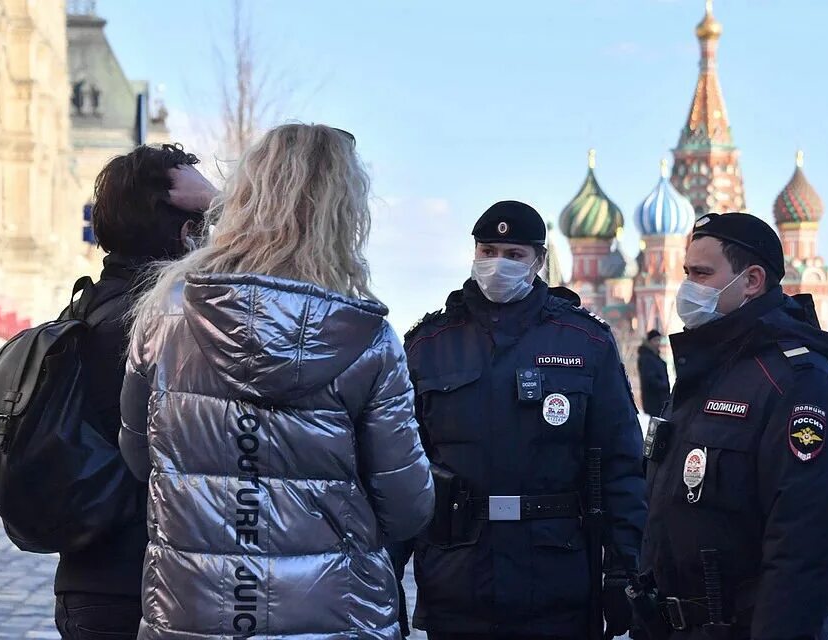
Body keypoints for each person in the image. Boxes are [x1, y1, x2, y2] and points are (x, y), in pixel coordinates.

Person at [118, 124, 434, 640]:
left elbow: (139, 457)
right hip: (335, 612)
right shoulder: (367, 338)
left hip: (193, 610)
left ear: (244, 197)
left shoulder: (163, 316)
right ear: (344, 212)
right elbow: (406, 507)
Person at [394, 200, 647, 639]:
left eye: (514, 255)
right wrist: (384, 574)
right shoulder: (428, 345)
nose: (498, 265)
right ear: (473, 253)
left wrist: (627, 574)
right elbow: (398, 471)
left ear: (539, 261)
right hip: (457, 580)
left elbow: (621, 467)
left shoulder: (586, 342)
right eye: (489, 251)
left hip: (556, 580)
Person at [635, 213, 828, 640]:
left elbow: (805, 548)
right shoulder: (705, 369)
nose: (688, 288)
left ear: (752, 280)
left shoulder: (797, 381)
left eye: (702, 274)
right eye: (687, 273)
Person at [54, 143, 215, 640]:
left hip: (90, 582)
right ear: (187, 231)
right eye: (208, 221)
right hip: (151, 588)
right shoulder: (169, 325)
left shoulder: (83, 310)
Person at [637, 329, 671, 417]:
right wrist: (663, 386)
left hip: (661, 399)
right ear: (650, 341)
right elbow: (649, 378)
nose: (658, 343)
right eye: (655, 340)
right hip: (654, 400)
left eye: (659, 340)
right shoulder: (647, 357)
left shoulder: (655, 356)